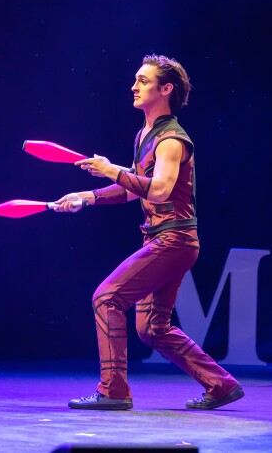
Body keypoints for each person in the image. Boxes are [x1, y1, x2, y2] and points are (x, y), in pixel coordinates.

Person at [54, 54, 244, 411]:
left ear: (166, 89)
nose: (134, 86)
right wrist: (88, 196)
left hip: (174, 240)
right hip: (162, 239)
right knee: (152, 328)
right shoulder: (145, 134)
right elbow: (134, 188)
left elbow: (158, 190)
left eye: (143, 81)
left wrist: (111, 170)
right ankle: (221, 385)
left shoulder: (171, 140)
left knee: (106, 298)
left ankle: (113, 391)